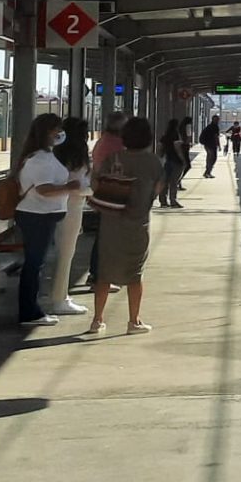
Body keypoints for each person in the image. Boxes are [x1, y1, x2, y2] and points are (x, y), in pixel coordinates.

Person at [89, 115, 163, 335]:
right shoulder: (152, 161)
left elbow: (95, 181)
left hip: (111, 223)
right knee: (135, 274)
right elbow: (158, 188)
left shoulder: (113, 158)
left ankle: (97, 320)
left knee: (104, 272)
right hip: (137, 224)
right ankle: (134, 321)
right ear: (148, 138)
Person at [13, 114, 82, 326]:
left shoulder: (43, 155)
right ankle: (29, 312)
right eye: (56, 129)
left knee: (37, 263)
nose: (60, 134)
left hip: (42, 216)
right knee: (34, 264)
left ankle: (32, 309)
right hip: (37, 216)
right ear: (46, 132)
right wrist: (69, 188)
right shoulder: (39, 160)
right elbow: (44, 190)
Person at [44, 116, 93, 316]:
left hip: (56, 207)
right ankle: (59, 299)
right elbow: (77, 186)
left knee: (62, 253)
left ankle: (60, 295)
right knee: (66, 254)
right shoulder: (77, 156)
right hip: (71, 208)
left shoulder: (57, 153)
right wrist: (92, 191)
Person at [87, 112, 128, 292]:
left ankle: (97, 275)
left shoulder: (103, 141)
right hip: (111, 194)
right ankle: (99, 276)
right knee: (108, 238)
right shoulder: (116, 144)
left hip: (103, 193)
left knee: (104, 237)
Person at [158, 118, 186, 209]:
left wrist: (161, 156)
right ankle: (173, 201)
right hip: (176, 161)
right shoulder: (176, 135)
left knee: (165, 182)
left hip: (168, 160)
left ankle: (163, 201)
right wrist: (183, 159)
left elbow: (160, 147)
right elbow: (177, 147)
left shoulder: (165, 136)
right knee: (174, 182)